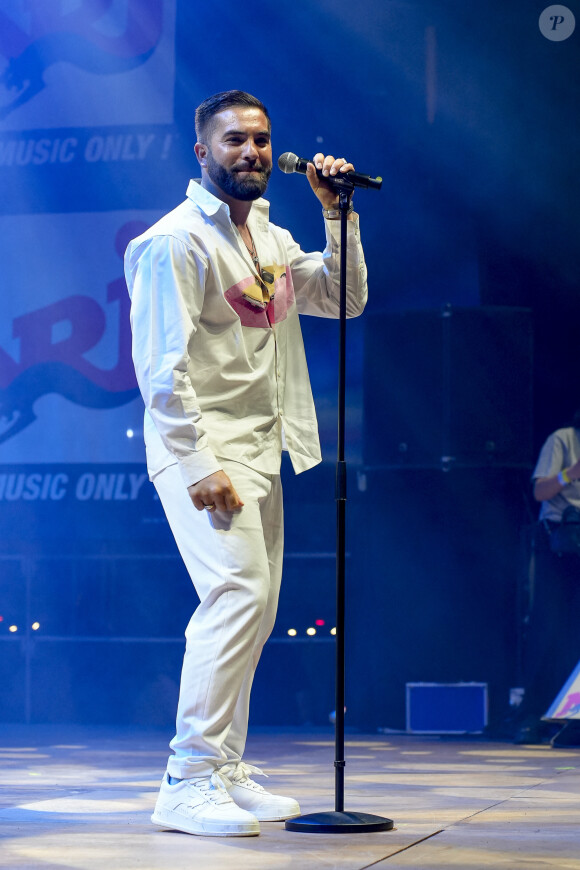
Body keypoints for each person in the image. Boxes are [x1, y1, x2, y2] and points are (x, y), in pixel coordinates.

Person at [124, 90, 367, 836]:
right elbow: (159, 370)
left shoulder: (269, 236)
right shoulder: (175, 242)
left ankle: (222, 766)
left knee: (254, 611)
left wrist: (338, 214)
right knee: (235, 596)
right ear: (203, 152)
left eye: (261, 139)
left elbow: (346, 298)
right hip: (203, 450)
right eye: (235, 140)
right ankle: (187, 776)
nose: (253, 152)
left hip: (262, 448)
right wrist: (198, 463)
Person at [516, 411, 580, 745]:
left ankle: (573, 717)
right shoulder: (563, 439)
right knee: (549, 628)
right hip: (559, 543)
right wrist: (571, 473)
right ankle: (534, 714)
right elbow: (541, 491)